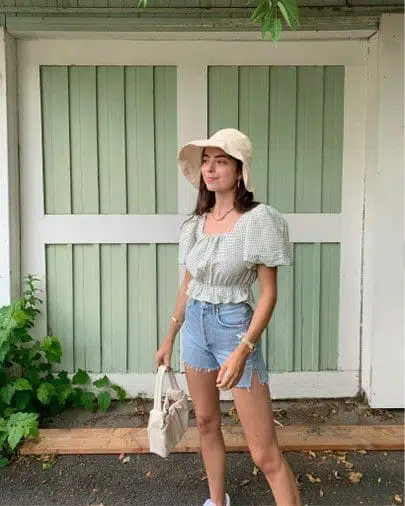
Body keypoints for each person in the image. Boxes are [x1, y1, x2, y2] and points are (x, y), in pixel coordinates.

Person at [155, 128, 301, 506]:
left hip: (234, 328)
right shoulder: (196, 224)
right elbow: (188, 284)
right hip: (195, 330)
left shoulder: (258, 220)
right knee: (206, 423)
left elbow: (269, 294)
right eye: (206, 161)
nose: (209, 168)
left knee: (264, 453)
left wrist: (243, 350)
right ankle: (217, 501)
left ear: (239, 171)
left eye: (220, 161)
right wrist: (170, 337)